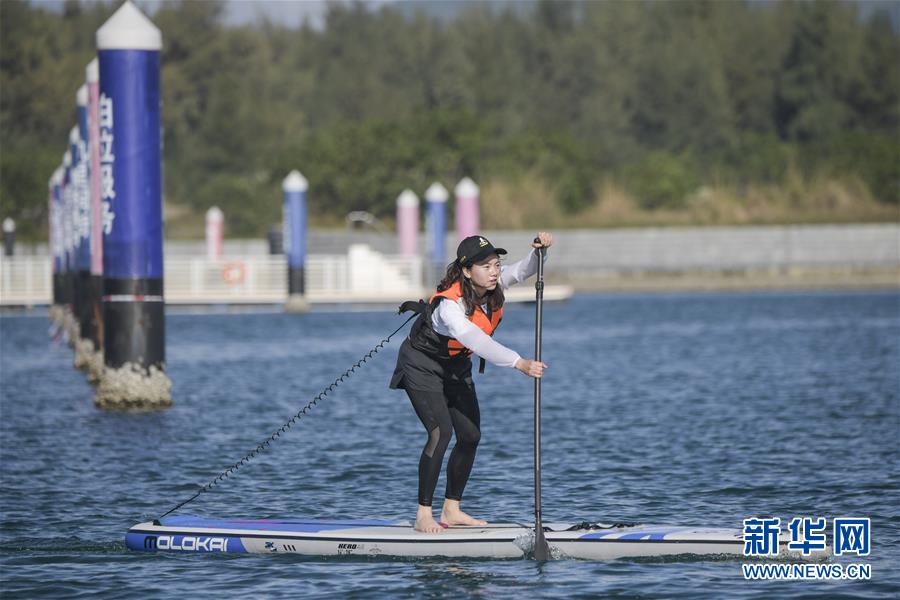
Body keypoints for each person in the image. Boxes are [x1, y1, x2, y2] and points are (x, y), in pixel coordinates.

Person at [390, 232, 553, 533]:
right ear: (467, 271)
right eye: (486, 266)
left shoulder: (494, 288)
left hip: (455, 367)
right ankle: (423, 514)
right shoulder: (449, 306)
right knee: (441, 432)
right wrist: (519, 363)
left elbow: (524, 269)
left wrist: (540, 252)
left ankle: (451, 510)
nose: (494, 272)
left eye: (496, 264)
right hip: (422, 366)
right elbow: (475, 339)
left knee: (470, 435)